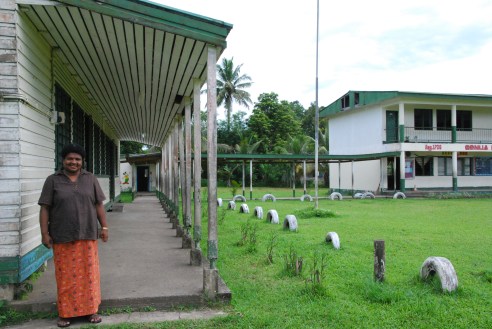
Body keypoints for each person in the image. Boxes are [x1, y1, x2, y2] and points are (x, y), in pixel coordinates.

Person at [38, 144, 109, 328]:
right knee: (65, 276)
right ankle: (65, 313)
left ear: (82, 161)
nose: (74, 162)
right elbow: (45, 207)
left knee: (89, 274)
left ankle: (91, 310)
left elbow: (98, 204)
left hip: (87, 234)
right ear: (63, 160)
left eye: (77, 159)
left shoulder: (90, 179)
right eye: (70, 158)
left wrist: (105, 227)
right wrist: (44, 233)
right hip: (62, 235)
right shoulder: (53, 180)